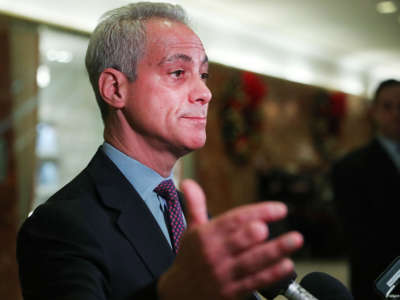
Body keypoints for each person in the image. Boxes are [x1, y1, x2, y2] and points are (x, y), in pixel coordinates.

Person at [16, 2, 304, 300]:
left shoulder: (188, 213)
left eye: (203, 75)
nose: (205, 93)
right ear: (115, 89)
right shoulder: (60, 226)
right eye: (178, 72)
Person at [331, 79, 400, 300]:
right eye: (388, 106)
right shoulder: (350, 167)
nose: (396, 113)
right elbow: (353, 233)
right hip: (377, 283)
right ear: (374, 112)